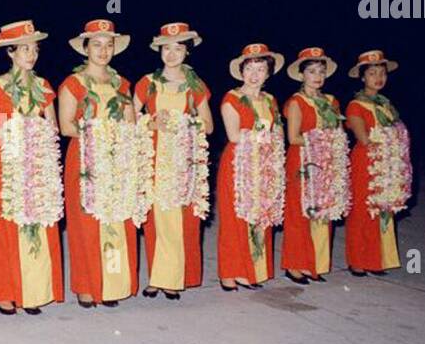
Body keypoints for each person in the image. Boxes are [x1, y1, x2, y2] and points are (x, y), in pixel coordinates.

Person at [0, 20, 64, 314]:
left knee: (38, 224)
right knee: (7, 227)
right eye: (24, 49)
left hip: (38, 163)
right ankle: (5, 291)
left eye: (35, 49)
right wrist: (15, 129)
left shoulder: (43, 86)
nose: (31, 55)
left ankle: (35, 290)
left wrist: (39, 135)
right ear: (11, 52)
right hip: (9, 164)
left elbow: (52, 126)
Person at [58, 18, 144, 308]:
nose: (103, 51)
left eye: (108, 45)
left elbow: (131, 121)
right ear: (85, 48)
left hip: (118, 157)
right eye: (96, 45)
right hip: (86, 158)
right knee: (87, 224)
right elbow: (67, 126)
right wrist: (100, 130)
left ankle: (113, 283)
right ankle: (87, 285)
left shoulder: (122, 83)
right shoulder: (73, 83)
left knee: (116, 221)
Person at [133, 22, 213, 298]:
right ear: (159, 51)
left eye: (178, 49)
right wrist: (151, 124)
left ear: (187, 52)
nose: (171, 54)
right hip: (154, 157)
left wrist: (184, 123)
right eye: (166, 49)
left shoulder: (195, 85)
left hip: (183, 159)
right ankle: (158, 277)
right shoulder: (148, 83)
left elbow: (209, 125)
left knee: (180, 219)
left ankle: (172, 277)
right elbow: (130, 119)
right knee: (157, 218)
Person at [216, 43, 285, 291]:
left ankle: (253, 270)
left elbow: (277, 131)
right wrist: (262, 136)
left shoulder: (270, 100)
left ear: (268, 73)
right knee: (235, 219)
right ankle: (230, 272)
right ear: (241, 71)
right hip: (239, 164)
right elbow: (234, 135)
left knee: (260, 216)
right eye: (250, 69)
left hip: (264, 164)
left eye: (261, 68)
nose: (255, 74)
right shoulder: (232, 98)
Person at [282, 47, 349, 283]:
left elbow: (339, 132)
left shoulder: (332, 101)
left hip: (327, 161)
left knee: (323, 211)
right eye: (311, 71)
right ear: (302, 75)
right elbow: (293, 138)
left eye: (321, 71)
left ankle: (317, 264)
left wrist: (335, 144)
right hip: (303, 160)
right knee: (300, 213)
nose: (317, 76)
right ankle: (295, 265)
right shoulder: (296, 102)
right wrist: (322, 141)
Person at [344, 49, 411, 275]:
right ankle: (358, 260)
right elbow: (364, 138)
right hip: (367, 162)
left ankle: (377, 260)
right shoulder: (355, 105)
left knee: (383, 207)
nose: (378, 78)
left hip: (386, 161)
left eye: (381, 73)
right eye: (372, 73)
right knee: (363, 211)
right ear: (362, 77)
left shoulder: (386, 105)